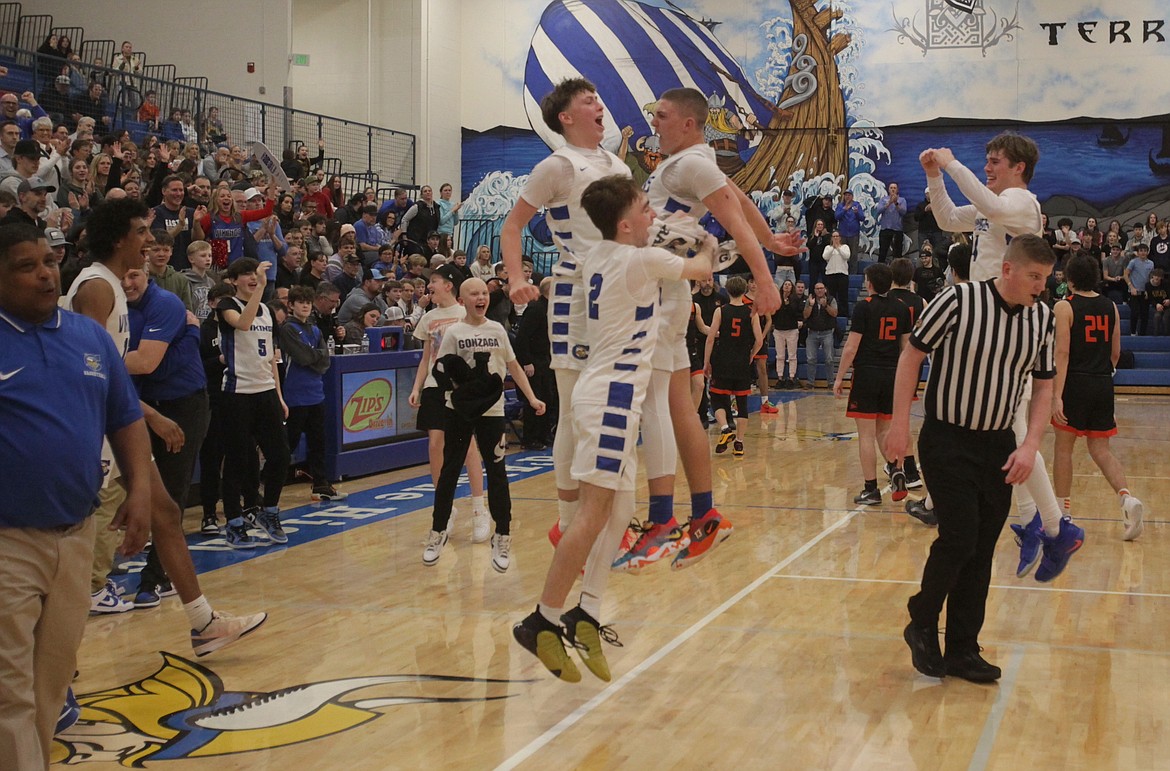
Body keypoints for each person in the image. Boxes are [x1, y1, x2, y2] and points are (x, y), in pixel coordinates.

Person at [513, 175, 714, 683]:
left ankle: (588, 609)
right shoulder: (642, 259)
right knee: (593, 513)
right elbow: (702, 268)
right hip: (611, 397)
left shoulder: (600, 254)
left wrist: (668, 233)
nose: (653, 215)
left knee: (621, 508)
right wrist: (709, 241)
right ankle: (542, 618)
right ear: (626, 223)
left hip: (607, 394)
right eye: (646, 209)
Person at [61, 198, 266, 655]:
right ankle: (55, 661)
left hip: (115, 422)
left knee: (167, 514)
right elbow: (86, 370)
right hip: (92, 427)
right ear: (118, 239)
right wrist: (148, 414)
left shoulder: (114, 286)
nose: (149, 241)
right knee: (70, 546)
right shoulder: (97, 288)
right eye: (140, 232)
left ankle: (203, 623)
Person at [613, 86, 800, 571]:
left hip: (659, 291)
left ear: (691, 123)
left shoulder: (691, 164)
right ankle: (704, 515)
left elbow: (732, 218)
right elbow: (740, 200)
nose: (655, 122)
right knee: (679, 406)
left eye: (664, 115)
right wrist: (772, 242)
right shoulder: (692, 163)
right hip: (668, 288)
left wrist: (766, 279)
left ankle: (660, 522)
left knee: (654, 402)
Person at [0, 223, 151, 769]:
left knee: (49, 687)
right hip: (8, 541)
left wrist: (139, 490)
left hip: (77, 534)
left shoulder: (87, 338)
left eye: (48, 261)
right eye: (26, 265)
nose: (45, 273)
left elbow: (126, 416)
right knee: (9, 694)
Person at [887, 234, 1062, 683]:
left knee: (982, 549)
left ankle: (963, 648)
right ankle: (922, 618)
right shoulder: (958, 300)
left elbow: (1044, 387)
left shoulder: (1042, 318)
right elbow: (912, 357)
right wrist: (900, 425)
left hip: (999, 443)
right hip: (947, 438)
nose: (1041, 286)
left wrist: (1030, 445)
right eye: (1034, 277)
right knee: (960, 537)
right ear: (1007, 270)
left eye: (1045, 278)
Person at [921, 133, 1076, 579]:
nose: (987, 166)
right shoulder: (996, 204)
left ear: (1018, 168)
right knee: (1011, 429)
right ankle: (1039, 522)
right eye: (985, 161)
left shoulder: (1021, 203)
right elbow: (950, 219)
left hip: (1013, 319)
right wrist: (935, 178)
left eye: (994, 161)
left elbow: (989, 206)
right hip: (988, 318)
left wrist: (950, 165)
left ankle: (1049, 524)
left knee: (1013, 428)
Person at [499, 77, 632, 551]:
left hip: (619, 294)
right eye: (588, 100)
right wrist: (517, 279)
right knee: (574, 408)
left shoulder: (617, 163)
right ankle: (567, 520)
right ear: (566, 117)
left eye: (598, 98)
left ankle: (608, 516)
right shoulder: (556, 165)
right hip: (576, 293)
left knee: (614, 408)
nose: (599, 103)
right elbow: (512, 226)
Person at [423, 277, 546, 570]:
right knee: (450, 469)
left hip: (492, 411)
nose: (481, 297)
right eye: (474, 293)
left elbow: (513, 365)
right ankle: (437, 530)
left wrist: (531, 397)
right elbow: (441, 369)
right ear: (463, 300)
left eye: (483, 293)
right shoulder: (454, 332)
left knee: (498, 471)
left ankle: (501, 533)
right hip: (458, 410)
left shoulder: (498, 330)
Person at [121, 263, 210, 608]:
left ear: (148, 275)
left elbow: (151, 364)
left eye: (135, 275)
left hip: (183, 405)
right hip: (142, 405)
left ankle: (152, 579)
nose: (128, 282)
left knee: (171, 492)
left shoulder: (166, 304)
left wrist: (100, 357)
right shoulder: (117, 308)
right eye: (124, 276)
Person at [1051, 254, 1144, 541]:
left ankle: (1063, 514)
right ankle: (1127, 498)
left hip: (1075, 382)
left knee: (1063, 449)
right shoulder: (1111, 307)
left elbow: (1062, 354)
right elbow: (1115, 353)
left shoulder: (1064, 307)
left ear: (1070, 278)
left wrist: (1057, 396)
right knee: (1101, 449)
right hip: (1103, 382)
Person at [408, 264, 489, 538]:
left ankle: (480, 508)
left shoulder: (465, 313)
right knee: (434, 445)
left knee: (468, 447)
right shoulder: (429, 318)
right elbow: (425, 357)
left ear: (448, 285)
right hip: (434, 386)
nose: (429, 286)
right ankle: (446, 507)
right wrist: (417, 387)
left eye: (434, 281)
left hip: (462, 389)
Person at [215, 257, 291, 548]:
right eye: (245, 274)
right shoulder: (227, 306)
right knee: (237, 461)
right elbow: (244, 324)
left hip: (265, 391)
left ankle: (269, 511)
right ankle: (234, 522)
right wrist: (261, 285)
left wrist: (279, 395)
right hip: (236, 393)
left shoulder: (268, 312)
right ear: (233, 280)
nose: (251, 277)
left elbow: (272, 355)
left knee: (280, 455)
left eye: (254, 273)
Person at [833, 263, 912, 505]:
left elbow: (851, 347)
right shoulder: (901, 309)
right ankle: (895, 468)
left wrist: (839, 377)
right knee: (884, 430)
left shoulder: (863, 307)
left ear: (869, 283)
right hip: (892, 374)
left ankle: (871, 489)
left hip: (867, 373)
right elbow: (907, 348)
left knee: (865, 435)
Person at [282, 285, 345, 502]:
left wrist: (315, 357)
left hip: (315, 393)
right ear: (291, 305)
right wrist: (315, 356)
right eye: (301, 302)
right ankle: (269, 487)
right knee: (286, 445)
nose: (306, 306)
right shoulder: (287, 329)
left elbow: (324, 360)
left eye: (308, 302)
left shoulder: (315, 329)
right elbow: (303, 357)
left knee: (318, 443)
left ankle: (321, 484)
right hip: (295, 395)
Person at [705, 276, 761, 458]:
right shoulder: (751, 313)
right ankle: (739, 443)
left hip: (722, 360)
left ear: (727, 291)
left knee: (716, 397)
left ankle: (724, 428)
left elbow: (711, 338)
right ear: (745, 291)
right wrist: (751, 354)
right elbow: (759, 340)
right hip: (742, 363)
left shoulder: (720, 311)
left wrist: (706, 362)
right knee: (742, 403)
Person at [514, 276, 555, 449]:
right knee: (534, 400)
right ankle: (530, 438)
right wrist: (527, 362)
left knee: (549, 398)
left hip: (546, 360)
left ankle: (544, 435)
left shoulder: (551, 308)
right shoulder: (536, 309)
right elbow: (522, 337)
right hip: (533, 361)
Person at [803, 282, 838, 389]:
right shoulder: (810, 300)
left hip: (827, 332)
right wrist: (810, 305)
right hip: (812, 332)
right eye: (817, 288)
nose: (819, 290)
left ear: (825, 290)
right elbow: (805, 315)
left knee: (829, 359)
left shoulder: (831, 300)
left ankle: (831, 382)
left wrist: (825, 305)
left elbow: (834, 313)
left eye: (821, 288)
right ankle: (810, 382)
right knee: (811, 359)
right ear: (814, 290)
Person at [771, 279, 801, 388]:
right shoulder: (777, 298)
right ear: (782, 286)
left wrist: (787, 304)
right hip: (779, 330)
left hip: (791, 330)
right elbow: (773, 312)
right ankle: (780, 378)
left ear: (792, 287)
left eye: (789, 284)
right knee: (780, 355)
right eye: (785, 284)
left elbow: (796, 313)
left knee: (792, 355)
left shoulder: (795, 299)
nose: (787, 286)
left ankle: (791, 377)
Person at [1123, 242, 1153, 336]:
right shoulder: (1133, 262)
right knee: (1135, 312)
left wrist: (1149, 291)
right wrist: (1131, 287)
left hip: (1145, 293)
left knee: (1145, 315)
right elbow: (1125, 275)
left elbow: (1151, 278)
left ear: (1147, 252)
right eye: (1141, 251)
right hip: (1134, 292)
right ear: (1138, 252)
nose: (1143, 253)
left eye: (1145, 251)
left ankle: (1142, 334)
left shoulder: (1151, 263)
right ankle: (1132, 332)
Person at [876, 182, 907, 263]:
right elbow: (879, 210)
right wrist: (889, 202)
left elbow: (903, 212)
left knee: (898, 253)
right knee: (883, 252)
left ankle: (898, 271)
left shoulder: (902, 200)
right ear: (888, 190)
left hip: (897, 230)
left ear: (897, 190)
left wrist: (896, 203)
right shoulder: (883, 199)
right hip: (885, 229)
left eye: (894, 188)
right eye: (891, 188)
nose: (893, 189)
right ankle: (880, 270)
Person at [835, 189, 864, 267]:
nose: (847, 197)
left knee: (853, 255)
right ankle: (842, 271)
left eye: (849, 195)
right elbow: (836, 217)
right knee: (842, 254)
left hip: (854, 234)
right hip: (843, 234)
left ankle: (853, 274)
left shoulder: (857, 205)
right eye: (846, 195)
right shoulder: (840, 206)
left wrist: (857, 213)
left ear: (852, 196)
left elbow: (862, 218)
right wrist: (844, 210)